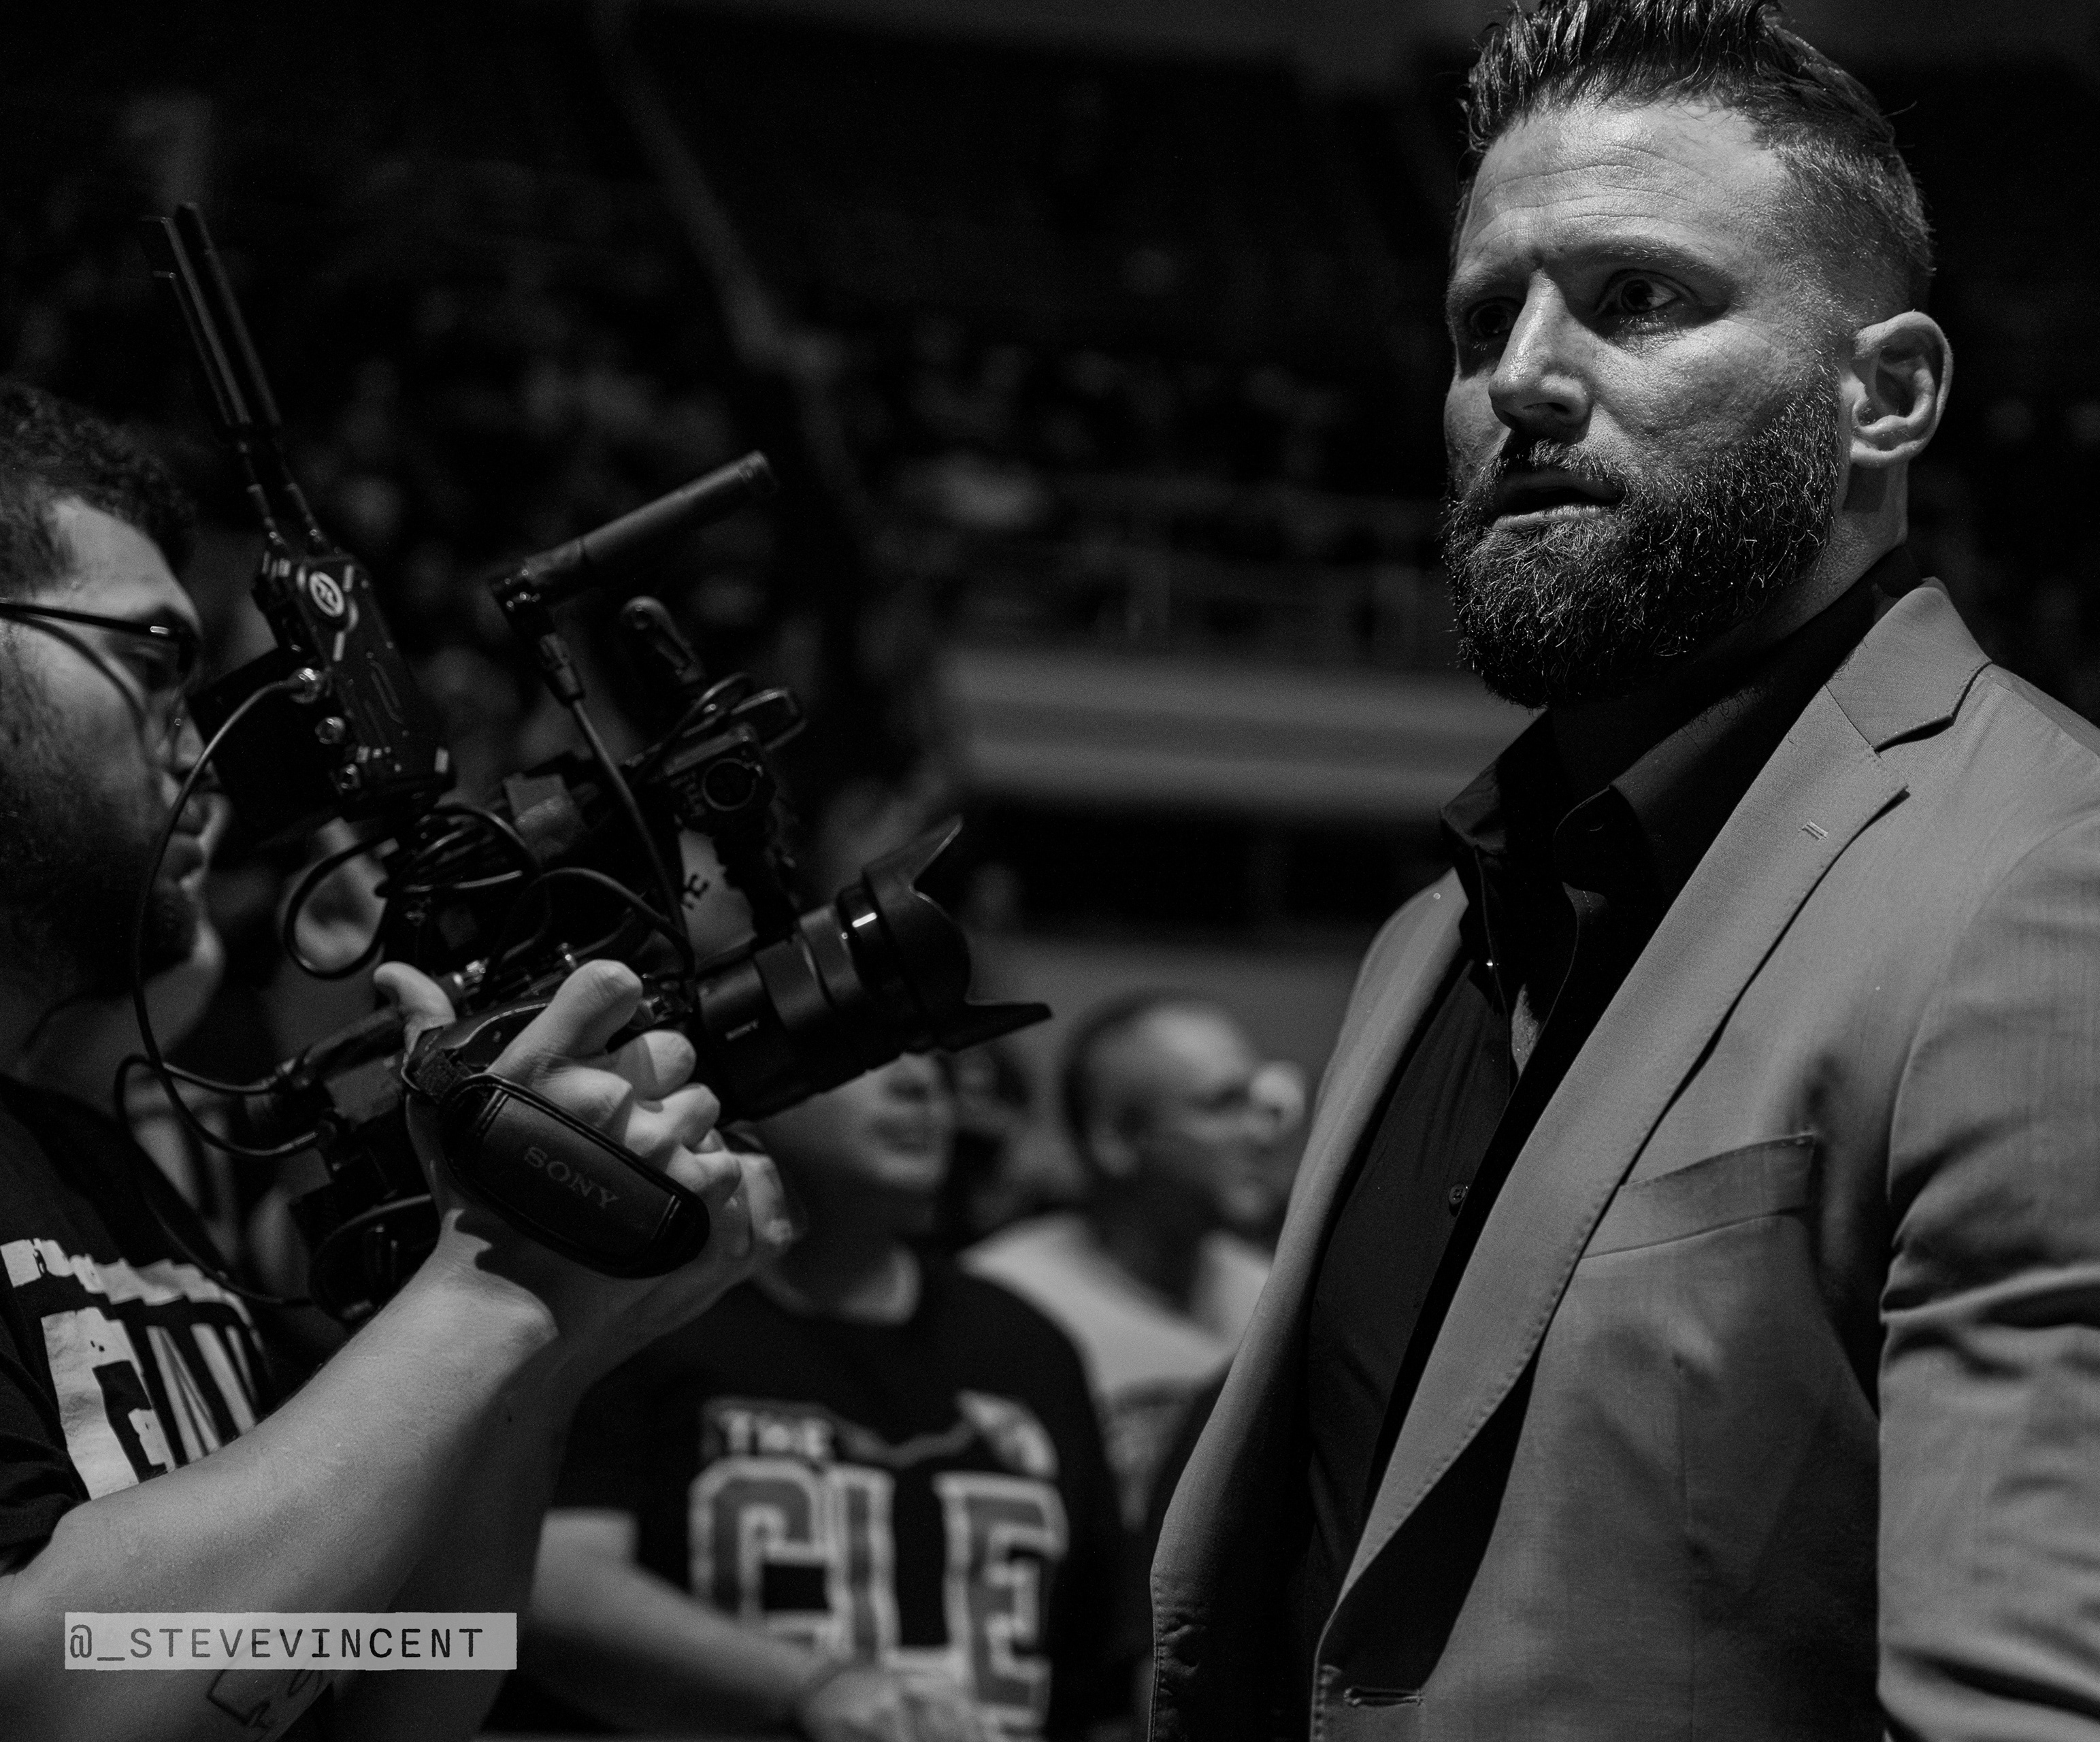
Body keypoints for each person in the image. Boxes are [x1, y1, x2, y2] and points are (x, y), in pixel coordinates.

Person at [1148, 5, 2100, 1739]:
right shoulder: (1431, 935)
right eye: (1481, 319)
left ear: (1885, 395)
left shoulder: (2099, 912)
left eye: (1639, 297)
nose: (1521, 378)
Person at [0, 376, 788, 1741]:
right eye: (155, 656)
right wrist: (487, 1282)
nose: (209, 750)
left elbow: (396, 1697)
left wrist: (544, 1348)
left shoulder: (90, 1163)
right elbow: (55, 1696)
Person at [514, 1051, 1135, 1741]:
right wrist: (811, 1685)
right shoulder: (649, 1317)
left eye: (934, 1060)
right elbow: (545, 1590)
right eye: (871, 1053)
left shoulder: (1027, 1344)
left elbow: (1101, 1661)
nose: (920, 1083)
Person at [966, 994, 1298, 1530]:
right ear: (1115, 1141)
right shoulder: (1002, 1304)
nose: (1262, 1132)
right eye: (1221, 1105)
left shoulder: (1276, 1295)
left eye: (1259, 1103)